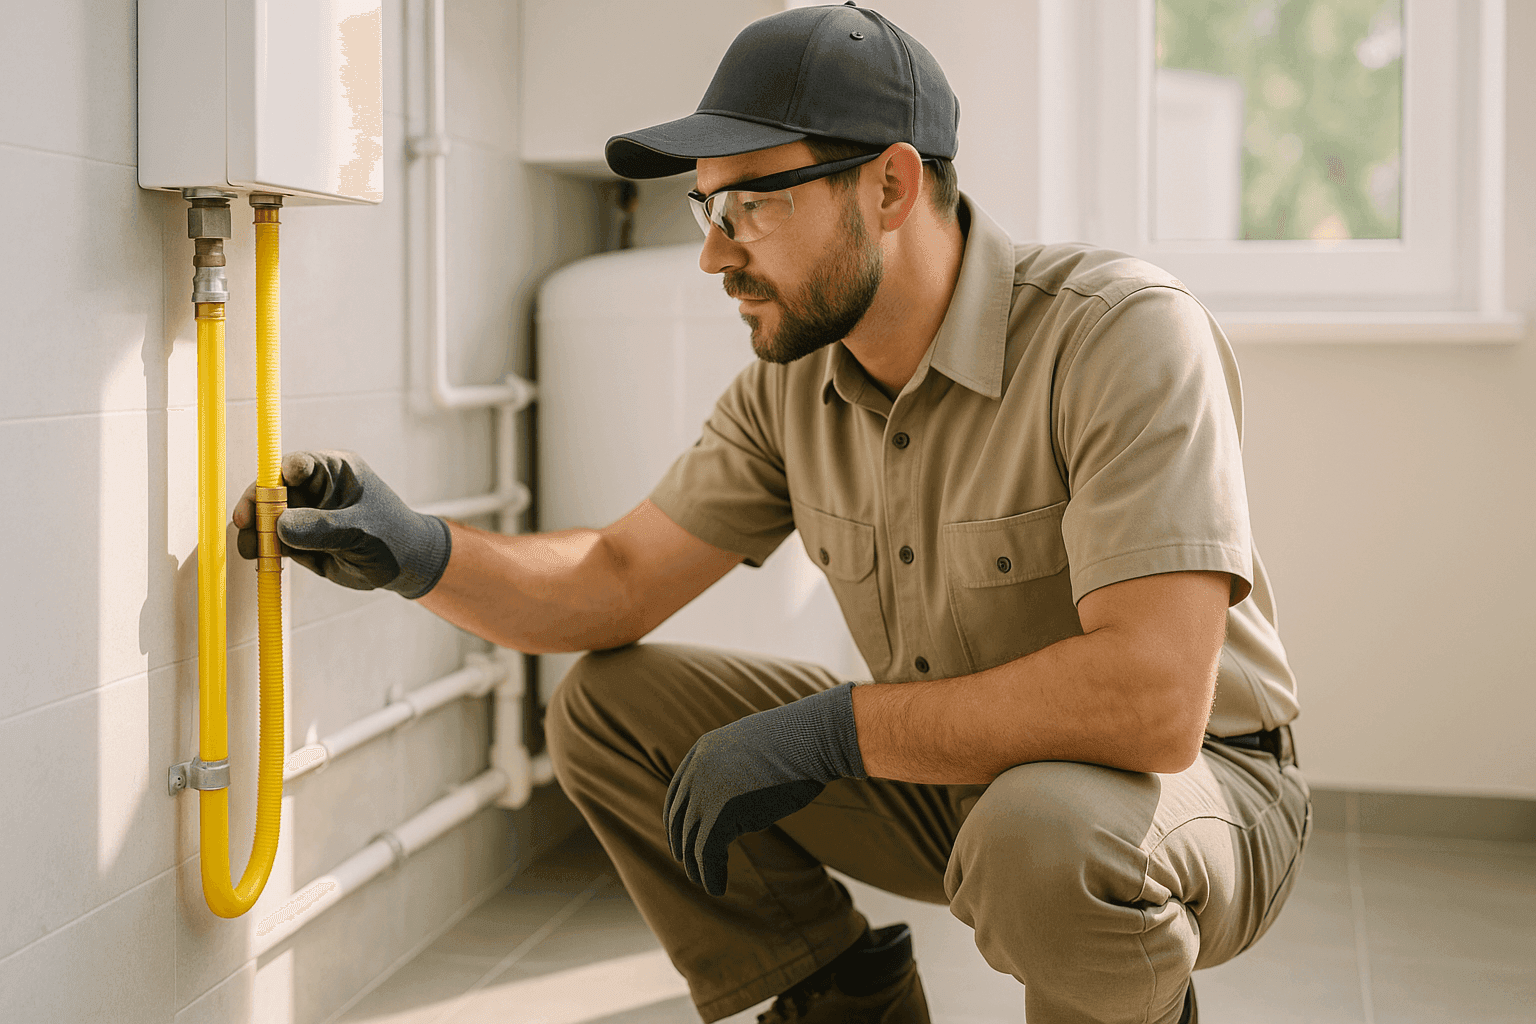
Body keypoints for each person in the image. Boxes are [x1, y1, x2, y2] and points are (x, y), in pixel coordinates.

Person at [234, 4, 1312, 1022]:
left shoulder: (1120, 337)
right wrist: (422, 551)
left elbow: (1151, 700)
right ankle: (847, 1002)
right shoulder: (796, 382)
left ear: (889, 186)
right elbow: (616, 577)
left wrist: (832, 729)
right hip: (957, 782)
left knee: (1045, 835)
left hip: (1189, 789)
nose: (713, 251)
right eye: (707, 207)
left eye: (751, 206)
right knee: (607, 709)